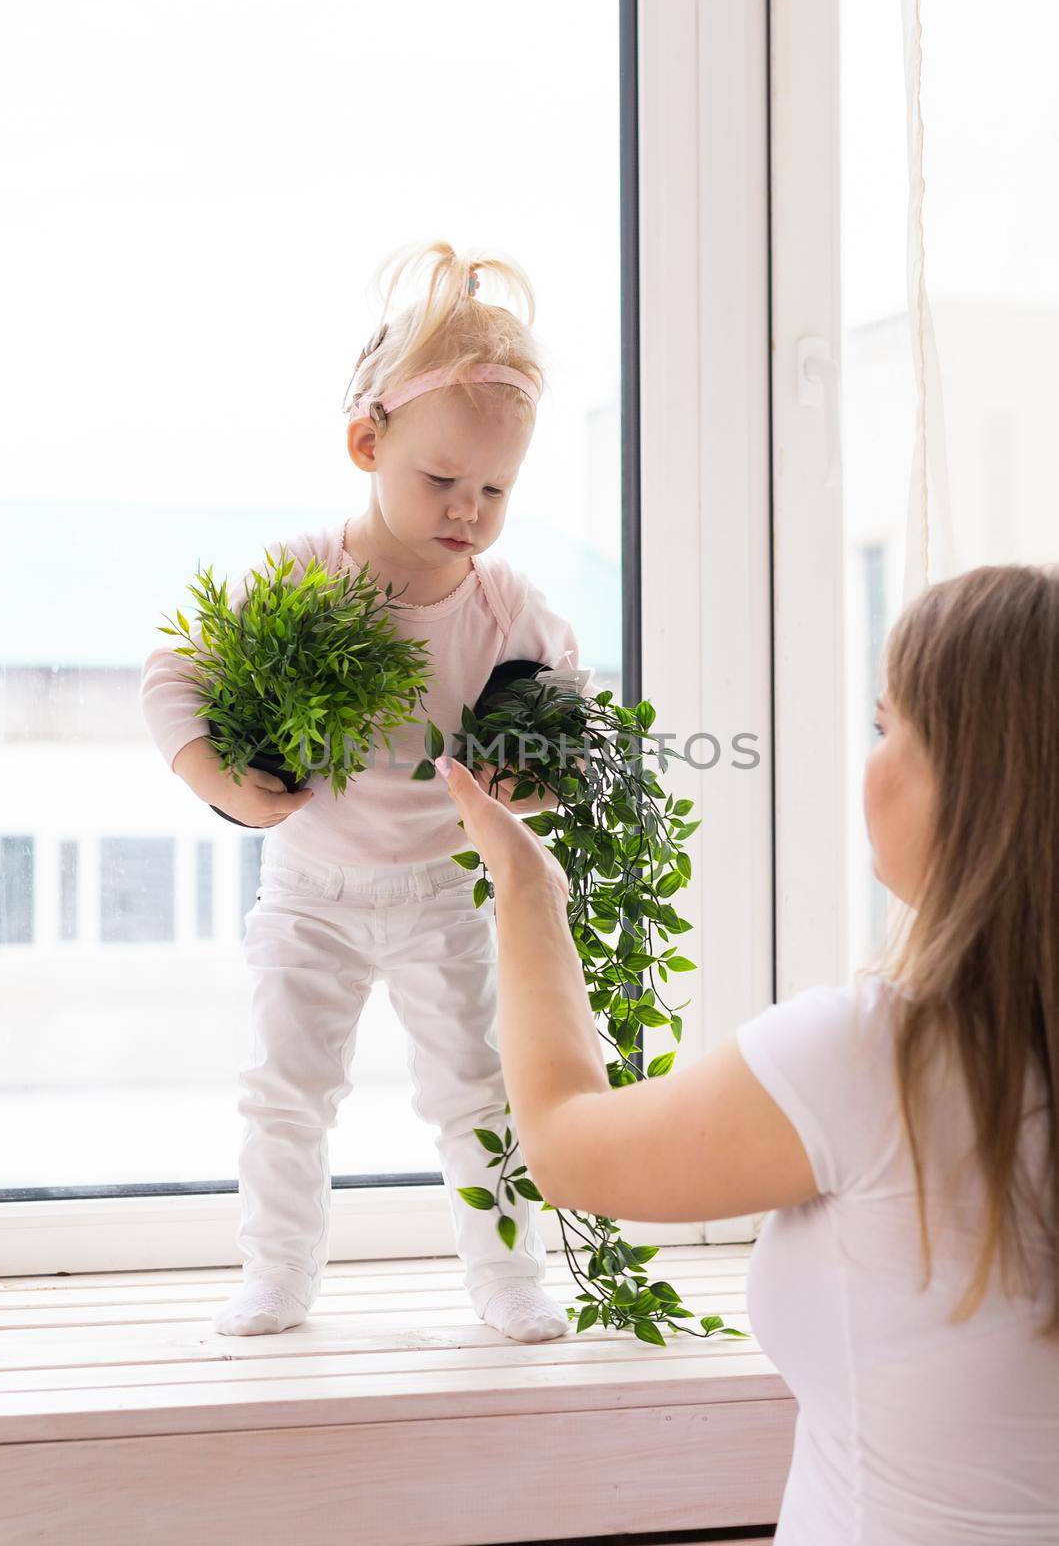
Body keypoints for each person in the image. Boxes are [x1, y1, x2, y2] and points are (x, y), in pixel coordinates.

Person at [433, 562, 1059, 1546]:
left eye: (887, 727)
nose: (871, 759)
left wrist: (525, 886)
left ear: (973, 781)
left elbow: (562, 1145)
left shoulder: (876, 1056)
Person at [139, 240, 599, 1344]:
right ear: (365, 443)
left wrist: (526, 790)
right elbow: (174, 676)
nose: (468, 508)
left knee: (472, 1096)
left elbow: (572, 719)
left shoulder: (505, 606)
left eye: (494, 488)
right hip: (308, 886)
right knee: (284, 1087)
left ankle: (504, 1281)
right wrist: (225, 790)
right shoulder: (302, 574)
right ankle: (277, 1273)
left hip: (442, 888)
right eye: (441, 479)